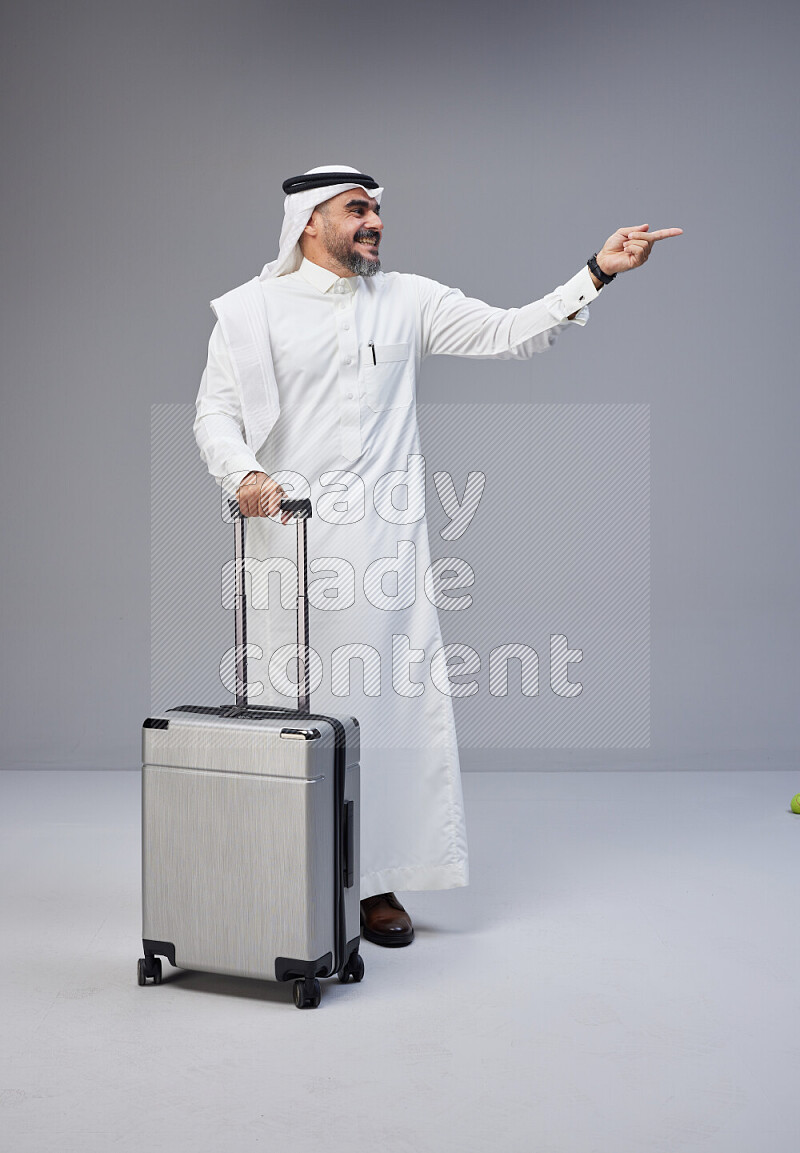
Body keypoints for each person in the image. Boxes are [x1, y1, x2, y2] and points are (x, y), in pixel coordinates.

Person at [194, 164, 681, 948]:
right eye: (358, 210)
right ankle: (286, 873)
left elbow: (510, 332)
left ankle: (374, 881)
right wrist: (243, 471)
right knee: (290, 711)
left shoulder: (407, 299)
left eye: (378, 210)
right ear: (310, 222)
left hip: (384, 549)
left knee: (384, 714)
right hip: (289, 543)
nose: (375, 222)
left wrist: (598, 273)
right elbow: (214, 412)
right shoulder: (250, 313)